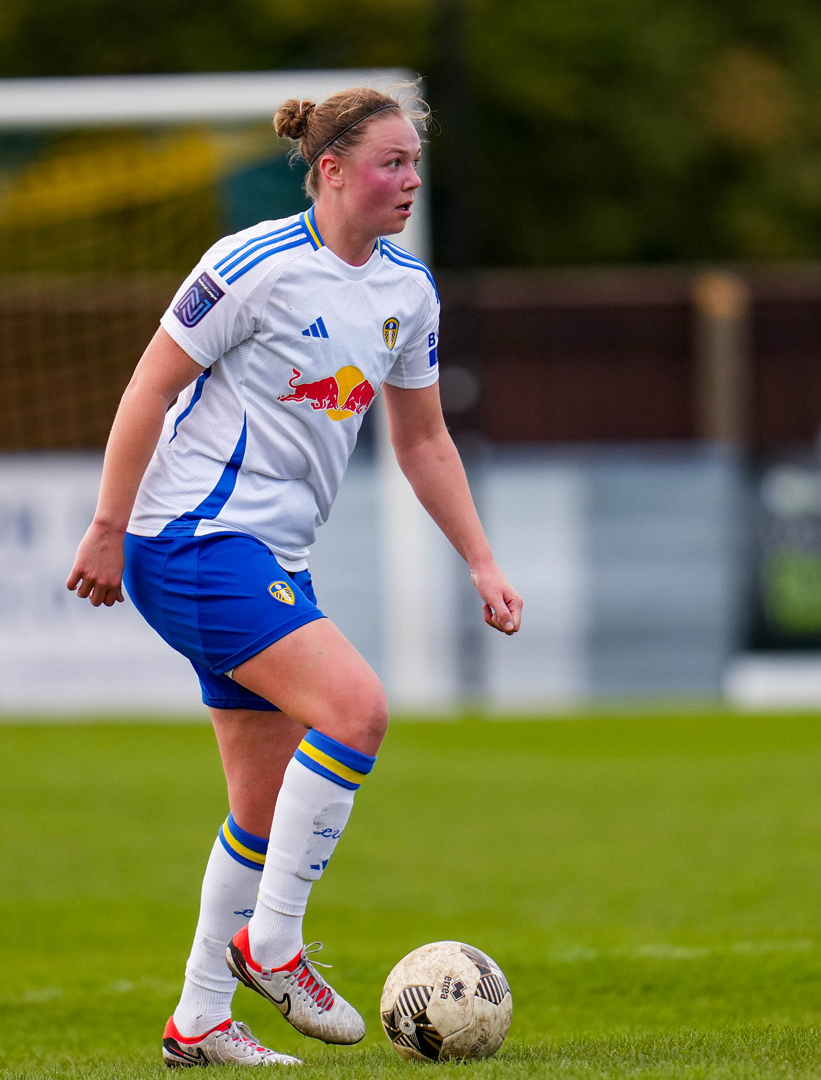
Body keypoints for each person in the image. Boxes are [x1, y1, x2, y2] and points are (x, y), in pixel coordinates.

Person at [68, 84, 522, 1067]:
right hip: (190, 538)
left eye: (414, 164)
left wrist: (482, 562)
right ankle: (272, 945)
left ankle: (200, 1017)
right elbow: (150, 386)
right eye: (389, 163)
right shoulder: (252, 265)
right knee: (356, 710)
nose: (408, 181)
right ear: (329, 171)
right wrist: (108, 525)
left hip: (269, 556)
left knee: (262, 806)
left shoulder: (406, 290)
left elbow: (425, 440)